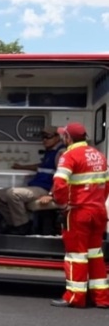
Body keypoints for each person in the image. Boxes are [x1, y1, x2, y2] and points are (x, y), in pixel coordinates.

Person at [38, 122, 109, 308]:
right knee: (95, 255)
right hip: (99, 211)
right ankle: (102, 298)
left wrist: (62, 204)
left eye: (64, 135)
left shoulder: (69, 156)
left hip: (78, 212)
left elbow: (60, 184)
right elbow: (106, 185)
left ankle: (75, 297)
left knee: (76, 256)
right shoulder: (99, 155)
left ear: (68, 138)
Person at [0, 126, 66, 235]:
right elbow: (41, 166)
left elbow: (62, 176)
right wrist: (22, 167)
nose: (44, 140)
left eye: (48, 137)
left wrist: (51, 195)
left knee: (13, 194)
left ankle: (23, 227)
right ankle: (13, 224)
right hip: (36, 186)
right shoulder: (49, 152)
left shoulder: (60, 153)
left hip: (45, 188)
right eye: (43, 137)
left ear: (57, 137)